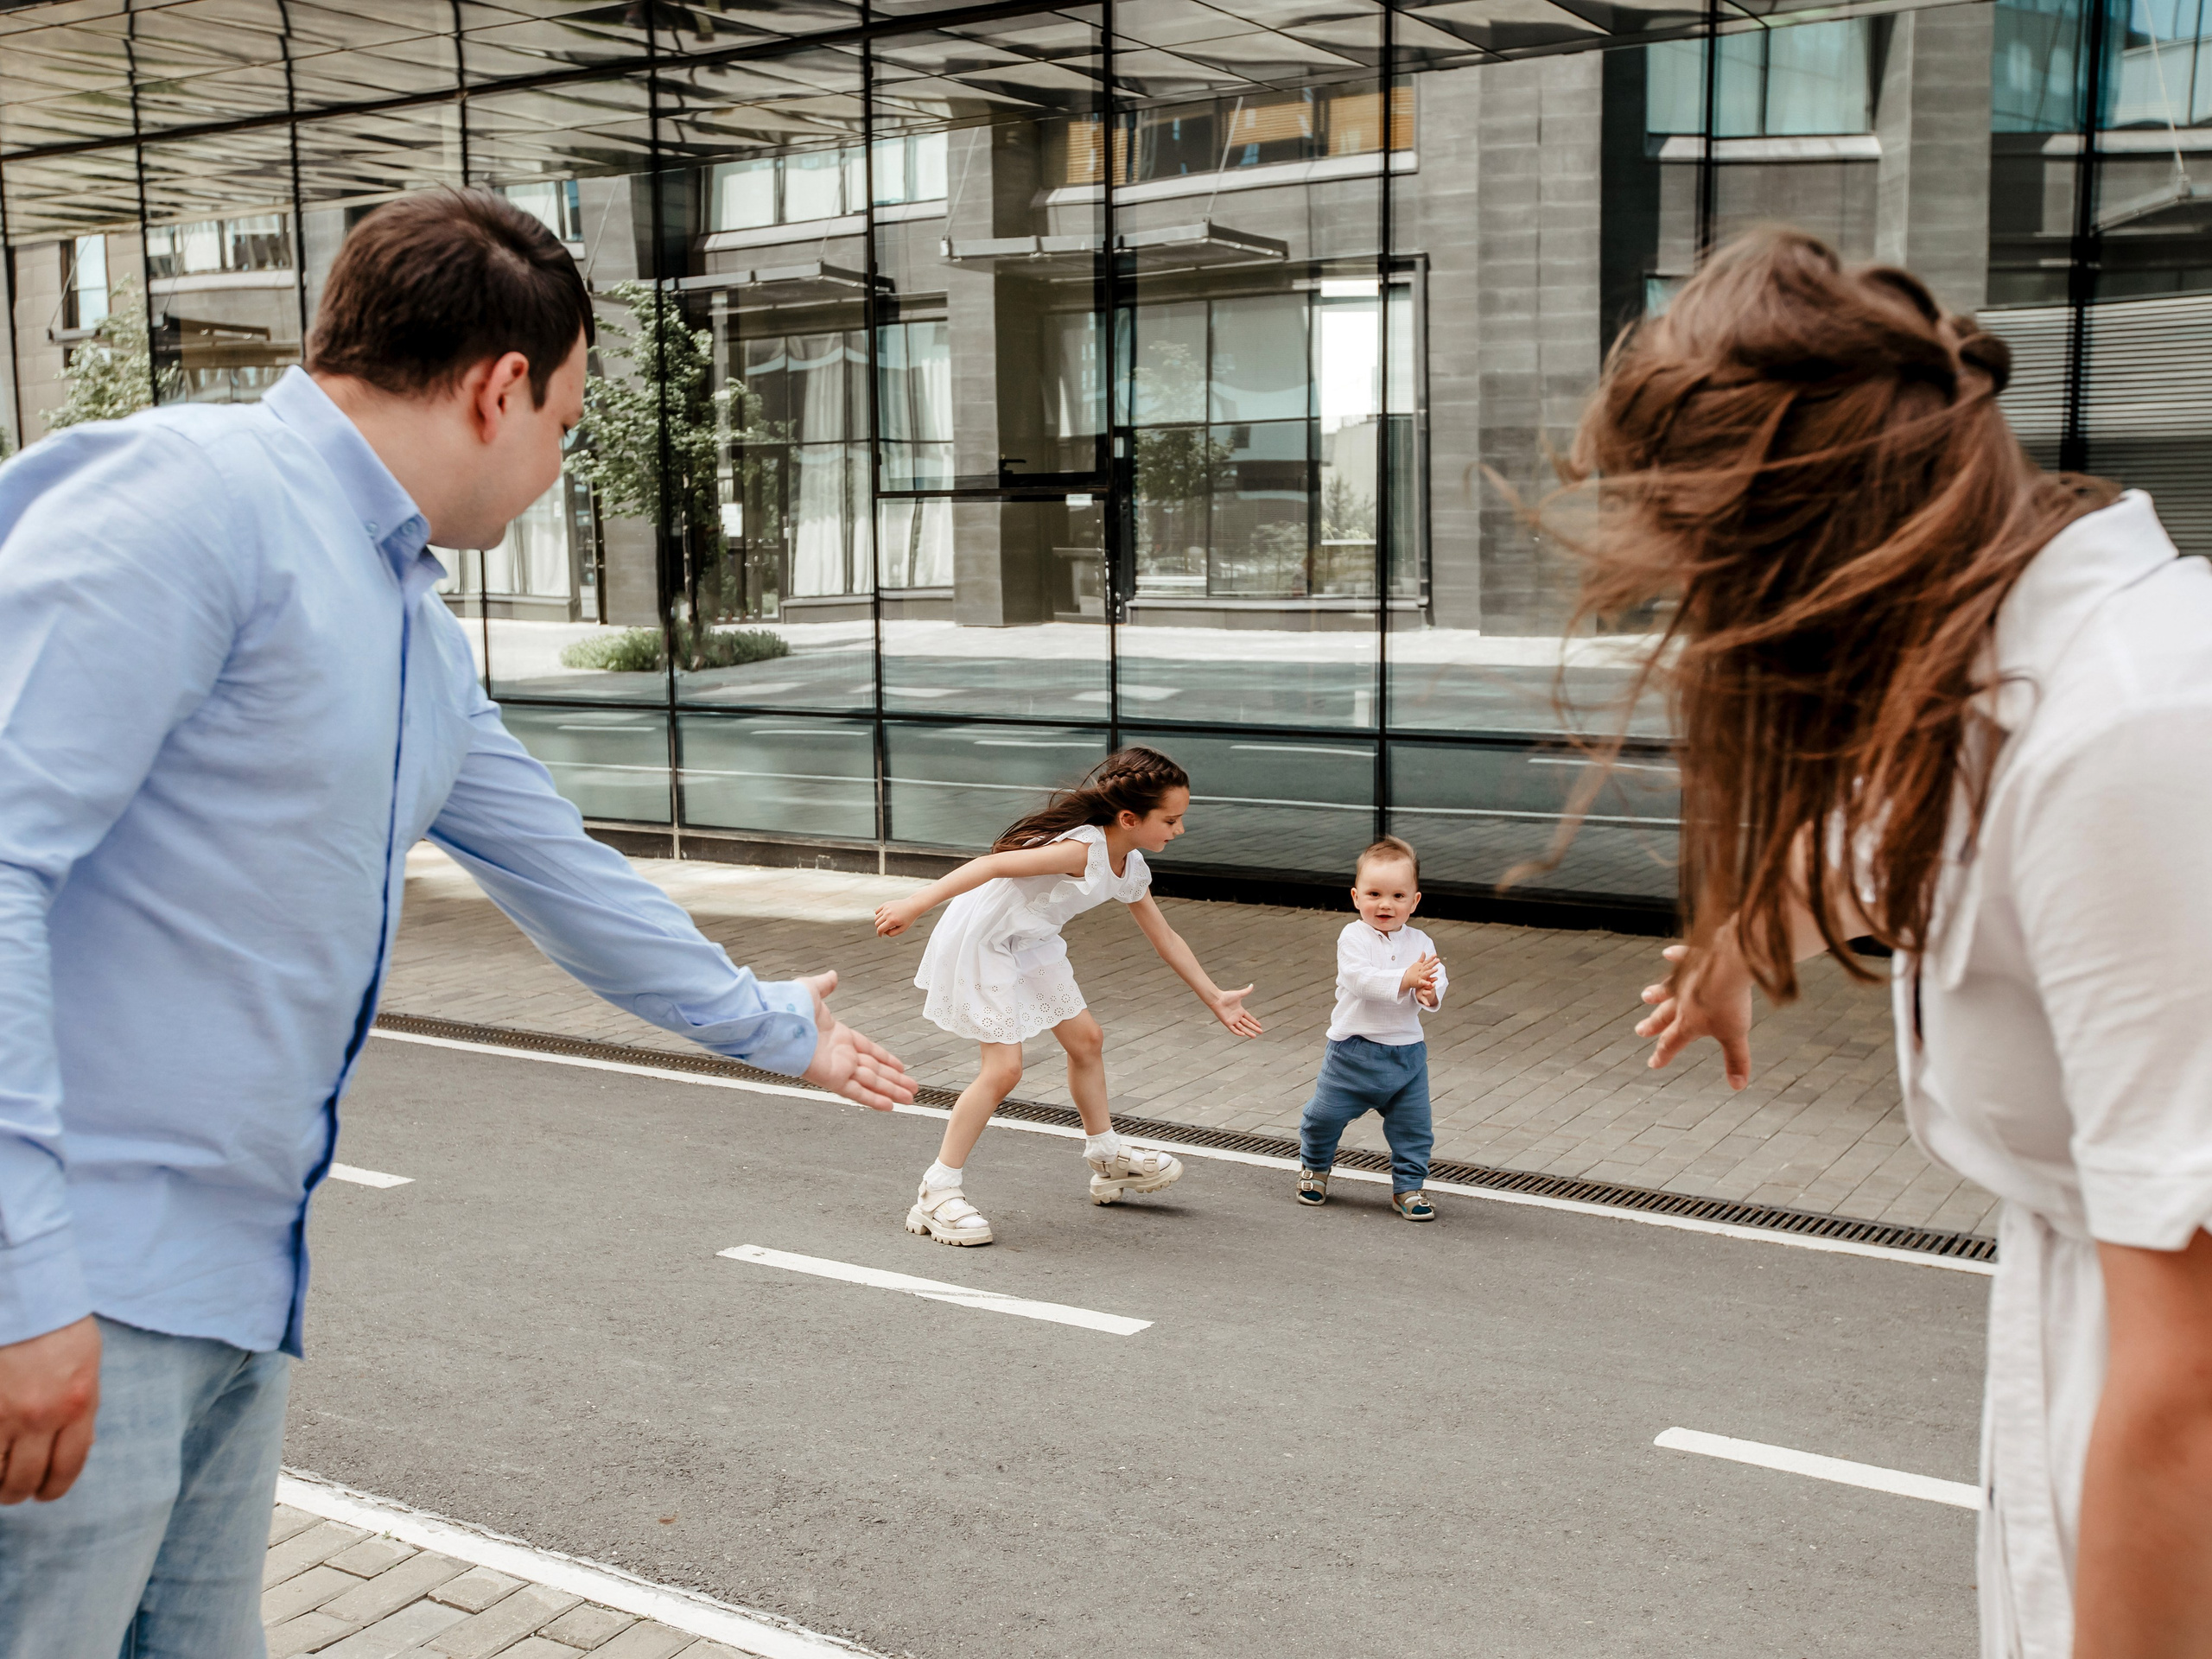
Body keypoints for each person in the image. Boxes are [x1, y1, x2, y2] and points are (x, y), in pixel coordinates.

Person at [0, 188, 913, 1658]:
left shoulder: (411, 627)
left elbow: (557, 865)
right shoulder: (191, 499)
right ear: (500, 390)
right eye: (568, 423)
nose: (560, 464)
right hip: (74, 1285)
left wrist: (766, 1024)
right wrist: (22, 1278)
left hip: (236, 1294)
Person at [1578, 227, 2212, 1657]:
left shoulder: (2136, 735)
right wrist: (1738, 945)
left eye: (1715, 594)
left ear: (1813, 566)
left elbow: (2192, 1393)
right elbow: (1877, 853)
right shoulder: (2012, 695)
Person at [872, 747, 1263, 1244]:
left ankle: (1106, 1157)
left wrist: (1214, 996)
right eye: (1171, 820)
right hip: (984, 943)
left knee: (1087, 1041)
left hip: (1031, 941)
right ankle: (937, 1190)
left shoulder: (1129, 864)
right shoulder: (1082, 851)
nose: (1179, 829)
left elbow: (1165, 937)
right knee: (1004, 1070)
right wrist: (913, 903)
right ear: (1129, 818)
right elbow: (992, 866)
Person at [1294, 836, 1447, 1222]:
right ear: (1356, 896)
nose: (1385, 905)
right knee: (1323, 1118)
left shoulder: (1421, 941)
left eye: (1398, 896)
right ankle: (1315, 1168)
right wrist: (1406, 979)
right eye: (1374, 894)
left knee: (1415, 1129)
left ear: (1414, 901)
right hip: (1352, 1053)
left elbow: (1435, 977)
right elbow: (1360, 980)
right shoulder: (1353, 937)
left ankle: (1408, 1187)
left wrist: (1429, 991)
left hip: (1407, 1057)